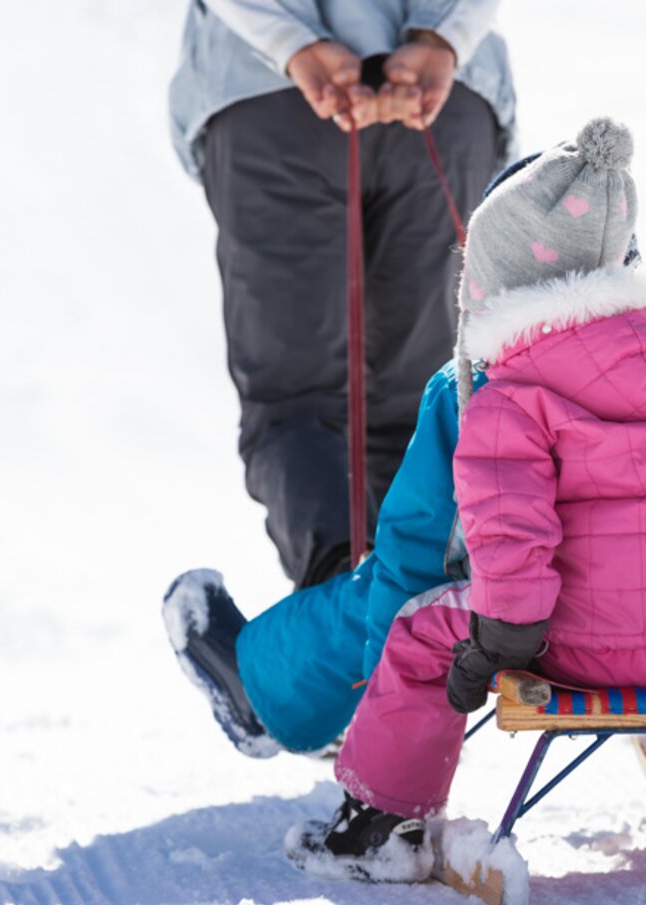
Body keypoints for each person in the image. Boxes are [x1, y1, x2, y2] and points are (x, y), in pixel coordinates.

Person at [164, 141, 646, 822]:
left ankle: (264, 693)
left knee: (396, 604)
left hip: (553, 640)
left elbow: (414, 550)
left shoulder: (473, 391)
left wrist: (388, 687)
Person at [169, 1, 514, 587]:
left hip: (267, 97)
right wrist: (441, 37)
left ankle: (343, 610)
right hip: (445, 96)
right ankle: (429, 619)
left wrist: (292, 42)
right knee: (423, 401)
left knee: (295, 403)